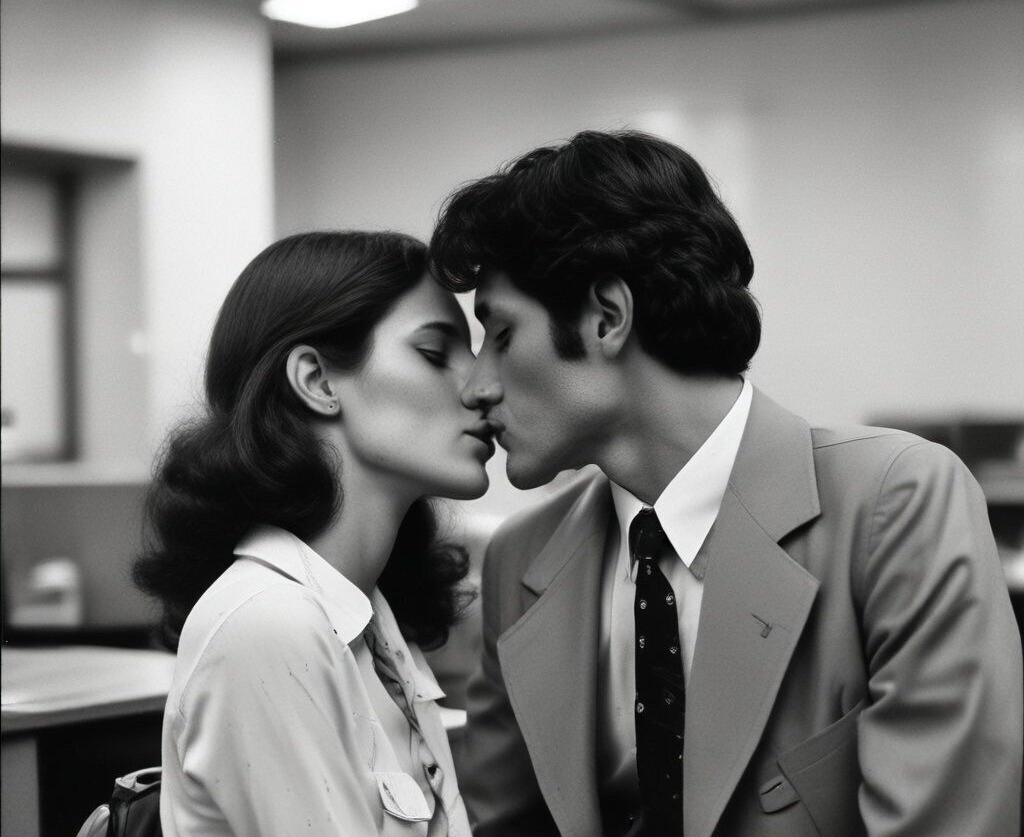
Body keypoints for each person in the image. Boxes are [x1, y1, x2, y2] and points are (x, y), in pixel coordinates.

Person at [427, 131, 1023, 837]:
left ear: (606, 318)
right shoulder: (522, 557)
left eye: (500, 335)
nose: (476, 386)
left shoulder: (895, 502)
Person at [135, 231, 494, 836]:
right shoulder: (268, 624)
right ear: (318, 381)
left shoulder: (369, 621)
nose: (482, 386)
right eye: (435, 353)